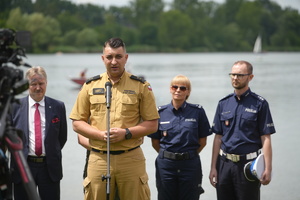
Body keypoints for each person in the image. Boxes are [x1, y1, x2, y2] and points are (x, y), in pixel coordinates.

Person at [70, 37, 159, 200]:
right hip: (99, 158)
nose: (114, 61)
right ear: (103, 58)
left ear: (126, 58)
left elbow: (152, 124)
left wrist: (127, 133)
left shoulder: (141, 86)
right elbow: (77, 123)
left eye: (118, 56)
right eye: (109, 57)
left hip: (130, 158)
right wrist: (99, 135)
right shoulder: (90, 86)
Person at [209, 60, 276, 200]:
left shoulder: (260, 104)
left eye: (239, 75)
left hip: (248, 167)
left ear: (250, 77)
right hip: (224, 166)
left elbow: (266, 138)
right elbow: (218, 138)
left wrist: (268, 169)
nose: (235, 78)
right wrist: (213, 167)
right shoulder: (223, 103)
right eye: (232, 74)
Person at [148, 75, 211, 200]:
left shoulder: (198, 112)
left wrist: (187, 155)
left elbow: (202, 142)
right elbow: (155, 142)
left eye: (182, 88)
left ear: (188, 92)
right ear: (170, 89)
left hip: (190, 164)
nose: (178, 90)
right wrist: (169, 156)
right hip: (166, 165)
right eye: (174, 87)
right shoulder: (160, 112)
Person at [11, 66, 68, 200]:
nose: (38, 88)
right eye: (34, 84)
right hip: (23, 167)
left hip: (49, 168)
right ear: (27, 85)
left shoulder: (58, 106)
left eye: (41, 84)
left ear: (46, 83)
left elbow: (62, 138)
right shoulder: (14, 106)